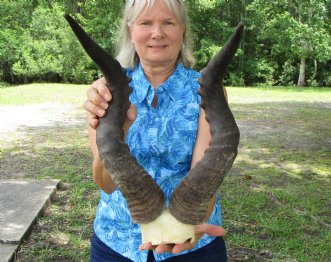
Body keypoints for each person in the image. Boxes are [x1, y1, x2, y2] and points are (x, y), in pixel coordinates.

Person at [84, 0, 228, 261]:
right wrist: (119, 132)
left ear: (183, 30)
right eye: (146, 23)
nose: (157, 33)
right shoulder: (105, 91)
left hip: (193, 242)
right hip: (118, 243)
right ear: (131, 30)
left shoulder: (208, 91)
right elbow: (105, 183)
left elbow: (206, 173)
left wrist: (189, 227)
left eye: (168, 23)